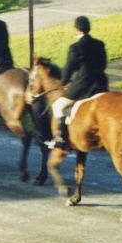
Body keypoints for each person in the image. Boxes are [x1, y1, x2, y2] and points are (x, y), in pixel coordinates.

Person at [50, 16, 108, 150]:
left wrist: (63, 82)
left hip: (83, 85)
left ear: (77, 29)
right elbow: (103, 64)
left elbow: (69, 68)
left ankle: (61, 138)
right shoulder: (99, 44)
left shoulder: (75, 47)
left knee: (58, 107)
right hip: (100, 83)